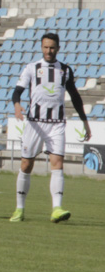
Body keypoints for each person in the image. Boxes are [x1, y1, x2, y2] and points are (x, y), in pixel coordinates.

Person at [9, 33, 90, 223]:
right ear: (41, 47)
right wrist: (17, 105)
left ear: (58, 48)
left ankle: (57, 208)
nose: (49, 51)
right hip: (34, 124)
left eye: (52, 47)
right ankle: (19, 209)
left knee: (57, 164)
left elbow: (76, 97)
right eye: (45, 47)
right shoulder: (31, 68)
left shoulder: (65, 70)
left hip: (56, 124)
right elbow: (17, 91)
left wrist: (84, 121)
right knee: (26, 165)